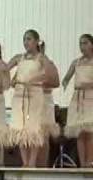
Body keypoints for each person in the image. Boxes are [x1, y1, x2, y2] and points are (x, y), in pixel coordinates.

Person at [7, 29, 59, 167]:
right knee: (21, 128)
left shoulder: (41, 58)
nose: (26, 42)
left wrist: (38, 81)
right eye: (24, 39)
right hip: (20, 97)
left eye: (29, 39)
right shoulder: (20, 58)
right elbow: (8, 74)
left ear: (36, 41)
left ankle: (32, 161)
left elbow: (53, 79)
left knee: (34, 128)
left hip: (35, 96)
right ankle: (25, 162)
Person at [63, 34, 93, 168]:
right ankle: (82, 163)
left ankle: (89, 161)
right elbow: (66, 78)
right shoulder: (76, 62)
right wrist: (65, 82)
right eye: (80, 43)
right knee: (80, 132)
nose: (82, 46)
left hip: (91, 97)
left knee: (90, 131)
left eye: (85, 43)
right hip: (78, 98)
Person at [36, 41, 60, 167]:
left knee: (44, 136)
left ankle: (43, 166)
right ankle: (30, 164)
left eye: (41, 48)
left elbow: (56, 82)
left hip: (45, 100)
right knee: (32, 135)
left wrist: (41, 83)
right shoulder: (29, 64)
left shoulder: (48, 64)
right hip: (32, 100)